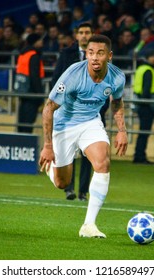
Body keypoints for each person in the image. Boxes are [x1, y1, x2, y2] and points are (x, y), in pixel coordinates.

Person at [39, 34, 128, 238]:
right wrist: (47, 146)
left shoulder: (117, 77)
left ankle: (89, 225)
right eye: (91, 53)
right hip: (64, 125)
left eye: (100, 53)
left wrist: (122, 131)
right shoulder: (73, 74)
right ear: (86, 54)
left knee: (103, 163)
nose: (95, 57)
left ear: (109, 56)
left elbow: (117, 102)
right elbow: (48, 108)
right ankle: (53, 168)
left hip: (90, 122)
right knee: (63, 183)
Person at [51, 22, 108, 201]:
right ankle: (69, 188)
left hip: (93, 113)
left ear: (92, 35)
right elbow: (56, 82)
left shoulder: (101, 57)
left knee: (90, 156)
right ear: (76, 36)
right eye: (81, 32)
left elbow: (107, 83)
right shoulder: (66, 55)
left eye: (87, 32)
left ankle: (83, 191)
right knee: (68, 153)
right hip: (68, 114)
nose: (84, 35)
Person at [133, 49, 154, 165]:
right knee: (144, 133)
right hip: (147, 105)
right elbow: (146, 90)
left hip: (140, 103)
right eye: (153, 55)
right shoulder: (148, 70)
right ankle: (140, 156)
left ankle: (138, 156)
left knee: (142, 132)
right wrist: (149, 103)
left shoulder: (140, 69)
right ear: (148, 58)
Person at [14, 33, 45, 133]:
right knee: (28, 123)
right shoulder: (34, 56)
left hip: (23, 91)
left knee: (22, 121)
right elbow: (35, 77)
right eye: (40, 40)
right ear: (35, 42)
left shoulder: (23, 54)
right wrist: (40, 96)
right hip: (31, 94)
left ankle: (21, 143)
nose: (42, 42)